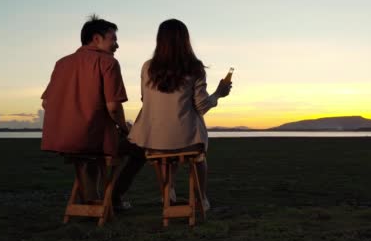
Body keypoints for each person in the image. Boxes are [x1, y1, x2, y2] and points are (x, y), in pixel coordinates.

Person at [41, 15, 143, 210]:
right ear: (97, 39)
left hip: (65, 140)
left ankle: (91, 199)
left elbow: (46, 102)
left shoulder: (62, 63)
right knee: (139, 150)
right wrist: (125, 128)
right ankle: (113, 198)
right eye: (113, 39)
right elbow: (113, 107)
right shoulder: (108, 62)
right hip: (93, 139)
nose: (117, 45)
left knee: (88, 156)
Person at [128, 19, 232, 211]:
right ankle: (201, 199)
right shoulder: (194, 67)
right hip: (187, 140)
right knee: (198, 158)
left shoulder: (147, 67)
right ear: (185, 40)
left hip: (153, 141)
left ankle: (167, 193)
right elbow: (201, 106)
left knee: (164, 154)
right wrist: (219, 93)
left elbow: (145, 100)